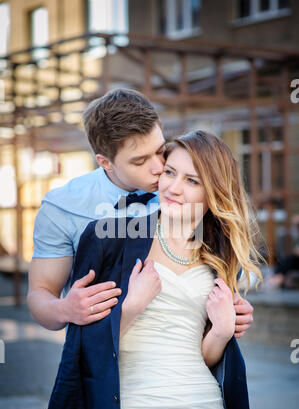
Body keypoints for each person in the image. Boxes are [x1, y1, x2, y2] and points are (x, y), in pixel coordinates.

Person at [40, 130, 264, 409]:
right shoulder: (109, 239)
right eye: (170, 173)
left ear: (213, 192)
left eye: (192, 180)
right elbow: (84, 352)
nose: (173, 188)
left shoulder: (220, 255)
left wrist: (221, 332)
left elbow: (203, 356)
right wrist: (130, 307)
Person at [27, 88, 254, 336]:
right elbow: (40, 293)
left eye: (160, 150)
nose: (159, 168)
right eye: (140, 161)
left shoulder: (183, 190)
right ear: (105, 162)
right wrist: (63, 309)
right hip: (104, 359)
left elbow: (215, 266)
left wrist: (236, 308)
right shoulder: (63, 207)